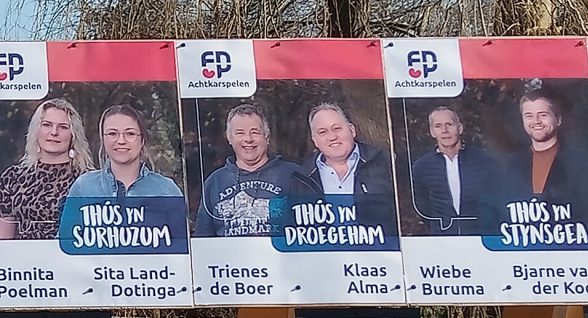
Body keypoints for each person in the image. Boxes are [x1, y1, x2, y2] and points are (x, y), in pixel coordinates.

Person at [500, 84, 588, 239]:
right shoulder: (513, 163)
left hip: (572, 246)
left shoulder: (583, 162)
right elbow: (505, 211)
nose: (536, 121)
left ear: (558, 119)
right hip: (524, 245)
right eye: (529, 116)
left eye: (543, 115)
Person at [195, 103, 312, 237]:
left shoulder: (295, 175)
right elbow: (203, 238)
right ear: (229, 138)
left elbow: (313, 232)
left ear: (267, 137)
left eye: (255, 132)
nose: (248, 139)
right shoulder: (214, 181)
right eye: (240, 133)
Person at [0, 98, 90, 240]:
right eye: (47, 125)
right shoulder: (14, 177)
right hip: (24, 253)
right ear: (36, 130)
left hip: (70, 253)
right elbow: (2, 236)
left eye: (63, 127)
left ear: (73, 135)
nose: (54, 132)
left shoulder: (86, 180)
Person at [59, 104, 184, 215]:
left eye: (130, 134)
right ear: (103, 139)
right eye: (112, 134)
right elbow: (68, 234)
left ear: (142, 140)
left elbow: (179, 234)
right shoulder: (84, 187)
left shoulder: (166, 190)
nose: (121, 141)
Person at [408, 102, 507, 234]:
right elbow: (423, 205)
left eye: (449, 124)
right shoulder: (422, 166)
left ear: (460, 128)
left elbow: (497, 199)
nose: (444, 130)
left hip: (481, 237)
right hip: (443, 239)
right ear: (432, 132)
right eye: (438, 126)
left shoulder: (484, 161)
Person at [303, 100, 398, 233]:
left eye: (337, 128)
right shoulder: (303, 177)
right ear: (315, 141)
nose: (332, 137)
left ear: (352, 130)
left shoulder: (385, 163)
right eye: (323, 132)